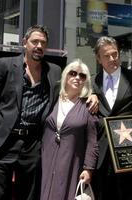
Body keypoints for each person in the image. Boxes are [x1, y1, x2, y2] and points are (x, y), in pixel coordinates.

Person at [0, 25, 98, 200]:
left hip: (32, 145)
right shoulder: (5, 65)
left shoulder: (53, 70)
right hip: (2, 143)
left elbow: (76, 79)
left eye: (43, 43)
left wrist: (93, 93)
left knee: (28, 195)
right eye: (35, 41)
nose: (39, 46)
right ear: (24, 43)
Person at [92, 36, 132, 200]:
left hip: (129, 153)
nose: (113, 59)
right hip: (101, 155)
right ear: (98, 58)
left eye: (115, 54)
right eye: (106, 56)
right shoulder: (91, 82)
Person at [40, 59, 99, 200]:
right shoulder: (53, 98)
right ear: (66, 76)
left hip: (72, 163)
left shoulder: (88, 106)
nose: (77, 78)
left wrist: (88, 169)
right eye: (73, 73)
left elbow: (93, 142)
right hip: (45, 160)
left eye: (82, 75)